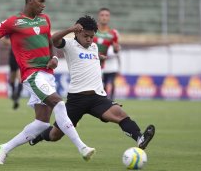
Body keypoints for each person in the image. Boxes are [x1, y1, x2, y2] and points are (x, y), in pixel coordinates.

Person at [0, 0, 95, 165]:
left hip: (47, 74)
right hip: (32, 74)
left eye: (44, 1)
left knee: (41, 123)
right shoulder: (13, 22)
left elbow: (49, 42)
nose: (44, 5)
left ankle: (5, 148)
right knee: (59, 103)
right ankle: (82, 148)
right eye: (41, 1)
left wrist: (54, 57)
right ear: (30, 1)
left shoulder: (45, 19)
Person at [29, 15, 155, 152]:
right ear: (77, 32)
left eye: (91, 36)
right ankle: (39, 136)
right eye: (86, 36)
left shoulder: (94, 47)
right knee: (55, 135)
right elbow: (53, 40)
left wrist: (99, 57)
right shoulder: (69, 44)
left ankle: (140, 139)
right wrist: (71, 29)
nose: (89, 39)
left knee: (120, 114)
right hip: (76, 99)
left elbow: (90, 61)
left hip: (97, 98)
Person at [93, 8, 121, 99]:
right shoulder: (92, 30)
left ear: (109, 18)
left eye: (106, 15)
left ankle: (108, 101)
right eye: (102, 15)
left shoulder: (113, 33)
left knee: (104, 85)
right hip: (89, 62)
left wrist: (116, 49)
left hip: (102, 65)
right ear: (98, 16)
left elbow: (116, 50)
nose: (104, 17)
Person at [3, 36, 23, 110]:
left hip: (21, 56)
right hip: (12, 57)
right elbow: (5, 41)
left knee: (19, 77)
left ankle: (17, 96)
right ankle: (14, 95)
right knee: (12, 79)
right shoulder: (11, 30)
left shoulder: (25, 30)